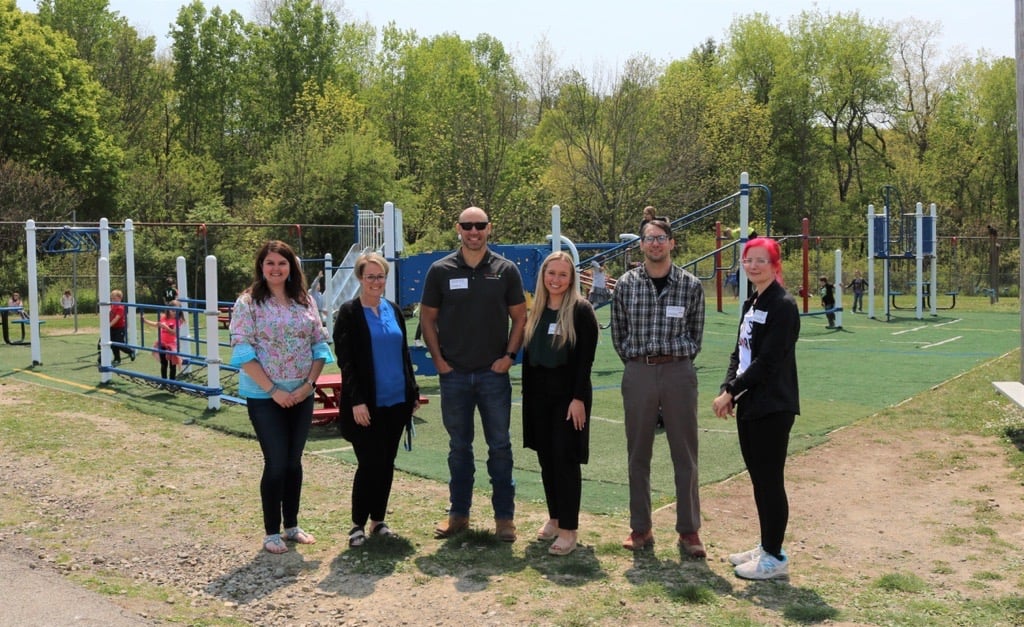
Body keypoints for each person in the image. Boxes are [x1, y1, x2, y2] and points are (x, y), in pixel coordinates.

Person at [419, 206, 527, 542]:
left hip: (493, 375)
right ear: (458, 229)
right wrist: (438, 360)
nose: (474, 231)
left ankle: (504, 519)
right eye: (467, 226)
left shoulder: (506, 270)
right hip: (454, 375)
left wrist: (509, 357)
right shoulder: (440, 270)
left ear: (489, 228)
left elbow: (520, 317)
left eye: (479, 225)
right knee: (459, 449)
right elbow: (427, 318)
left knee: (500, 448)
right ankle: (459, 514)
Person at [610, 217, 707, 557]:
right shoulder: (626, 284)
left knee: (685, 453)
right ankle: (641, 527)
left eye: (661, 238)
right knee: (638, 452)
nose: (655, 243)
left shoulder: (690, 285)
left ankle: (689, 530)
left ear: (671, 243)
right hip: (639, 369)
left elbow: (696, 335)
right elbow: (618, 333)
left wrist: (676, 360)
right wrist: (637, 362)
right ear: (641, 244)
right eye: (649, 238)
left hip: (678, 370)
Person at [229, 240, 332, 554]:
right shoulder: (248, 303)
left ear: (291, 267)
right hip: (264, 396)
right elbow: (243, 351)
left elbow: (319, 345)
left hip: (301, 393)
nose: (276, 268)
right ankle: (271, 531)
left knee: (293, 462)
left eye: (282, 263)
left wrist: (308, 385)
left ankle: (292, 526)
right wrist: (273, 391)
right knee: (275, 462)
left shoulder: (304, 300)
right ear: (261, 267)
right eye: (270, 263)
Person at [711, 237, 800, 580]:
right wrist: (728, 388)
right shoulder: (753, 301)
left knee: (770, 481)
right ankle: (766, 545)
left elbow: (768, 361)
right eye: (749, 260)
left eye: (761, 260)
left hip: (772, 406)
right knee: (759, 480)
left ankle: (774, 557)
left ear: (775, 265)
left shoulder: (783, 305)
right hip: (750, 403)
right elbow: (740, 352)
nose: (753, 266)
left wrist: (733, 391)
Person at [332, 253, 420, 548]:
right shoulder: (349, 313)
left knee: (386, 463)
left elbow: (404, 354)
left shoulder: (393, 309)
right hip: (366, 404)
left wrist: (413, 391)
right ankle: (357, 524)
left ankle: (378, 520)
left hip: (396, 400)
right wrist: (356, 400)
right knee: (369, 464)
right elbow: (346, 362)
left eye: (380, 276)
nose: (376, 282)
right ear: (360, 278)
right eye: (370, 276)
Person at [522, 252, 598, 556]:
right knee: (546, 459)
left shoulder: (581, 310)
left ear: (572, 278)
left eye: (562, 274)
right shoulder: (537, 309)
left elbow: (585, 360)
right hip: (539, 396)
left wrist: (578, 399)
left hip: (568, 397)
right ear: (543, 276)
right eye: (551, 273)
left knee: (565, 460)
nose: (556, 279)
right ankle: (554, 517)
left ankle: (568, 529)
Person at [140, 302, 182, 381]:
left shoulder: (177, 320)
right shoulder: (164, 318)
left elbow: (174, 332)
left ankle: (172, 382)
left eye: (177, 311)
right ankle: (164, 381)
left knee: (172, 364)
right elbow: (157, 324)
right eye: (173, 310)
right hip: (162, 343)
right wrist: (145, 321)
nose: (175, 312)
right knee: (164, 363)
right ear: (169, 310)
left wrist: (165, 327)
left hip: (171, 345)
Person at [107, 290, 135, 364]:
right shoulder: (112, 306)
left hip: (120, 328)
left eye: (114, 298)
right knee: (112, 344)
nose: (112, 300)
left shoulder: (120, 307)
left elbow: (117, 318)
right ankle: (117, 359)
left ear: (120, 298)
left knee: (119, 343)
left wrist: (108, 325)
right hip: (113, 328)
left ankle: (130, 351)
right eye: (112, 298)